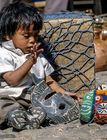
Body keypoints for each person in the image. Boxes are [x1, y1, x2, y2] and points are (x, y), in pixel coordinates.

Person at [0, 1, 79, 131]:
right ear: (8, 35)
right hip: (8, 96)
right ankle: (14, 116)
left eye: (36, 35)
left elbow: (49, 80)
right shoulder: (4, 54)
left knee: (48, 101)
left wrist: (63, 93)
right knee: (3, 105)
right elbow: (12, 80)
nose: (32, 40)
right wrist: (30, 61)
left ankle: (32, 116)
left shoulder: (38, 55)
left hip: (31, 98)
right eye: (26, 36)